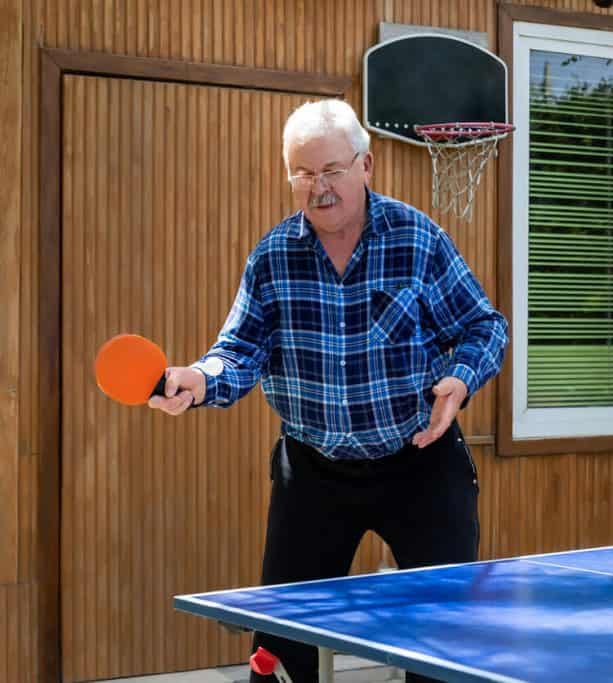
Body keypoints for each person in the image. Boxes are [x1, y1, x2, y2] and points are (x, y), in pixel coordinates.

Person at [147, 98, 508, 682]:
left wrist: (461, 379)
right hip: (312, 472)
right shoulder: (273, 257)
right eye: (305, 173)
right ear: (290, 175)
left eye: (333, 170)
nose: (320, 186)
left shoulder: (418, 240)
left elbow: (484, 325)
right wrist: (200, 380)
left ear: (366, 167)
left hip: (419, 461)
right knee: (280, 648)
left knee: (442, 644)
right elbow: (239, 352)